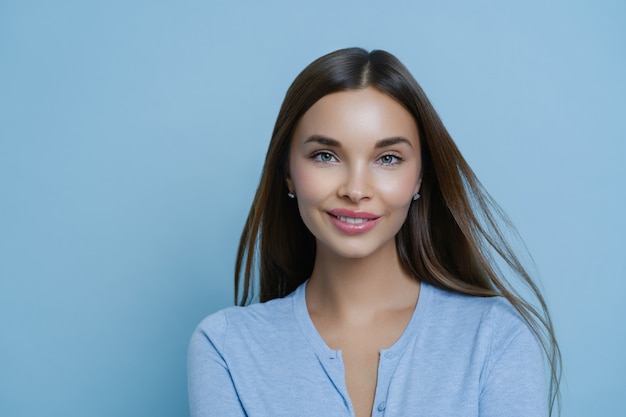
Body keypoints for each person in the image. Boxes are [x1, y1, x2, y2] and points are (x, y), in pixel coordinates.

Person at [188, 47, 561, 417]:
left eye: (387, 159)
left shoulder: (496, 338)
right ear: (288, 172)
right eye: (325, 155)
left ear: (419, 177)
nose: (355, 189)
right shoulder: (226, 348)